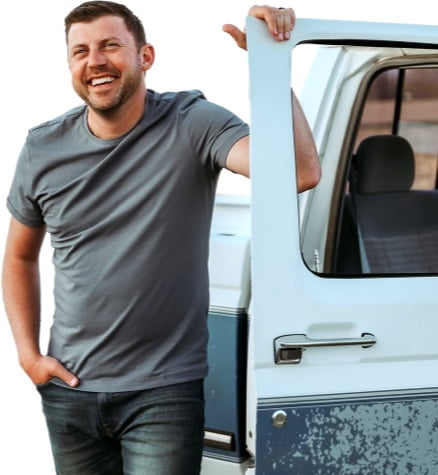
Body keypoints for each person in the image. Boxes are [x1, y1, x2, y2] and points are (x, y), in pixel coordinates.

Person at [2, 2, 320, 474]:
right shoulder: (43, 147)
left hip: (162, 395)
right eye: (80, 52)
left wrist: (270, 65)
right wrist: (29, 358)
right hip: (69, 393)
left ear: (145, 56)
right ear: (70, 65)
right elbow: (19, 257)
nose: (95, 61)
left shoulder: (192, 122)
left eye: (111, 45)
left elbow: (299, 172)